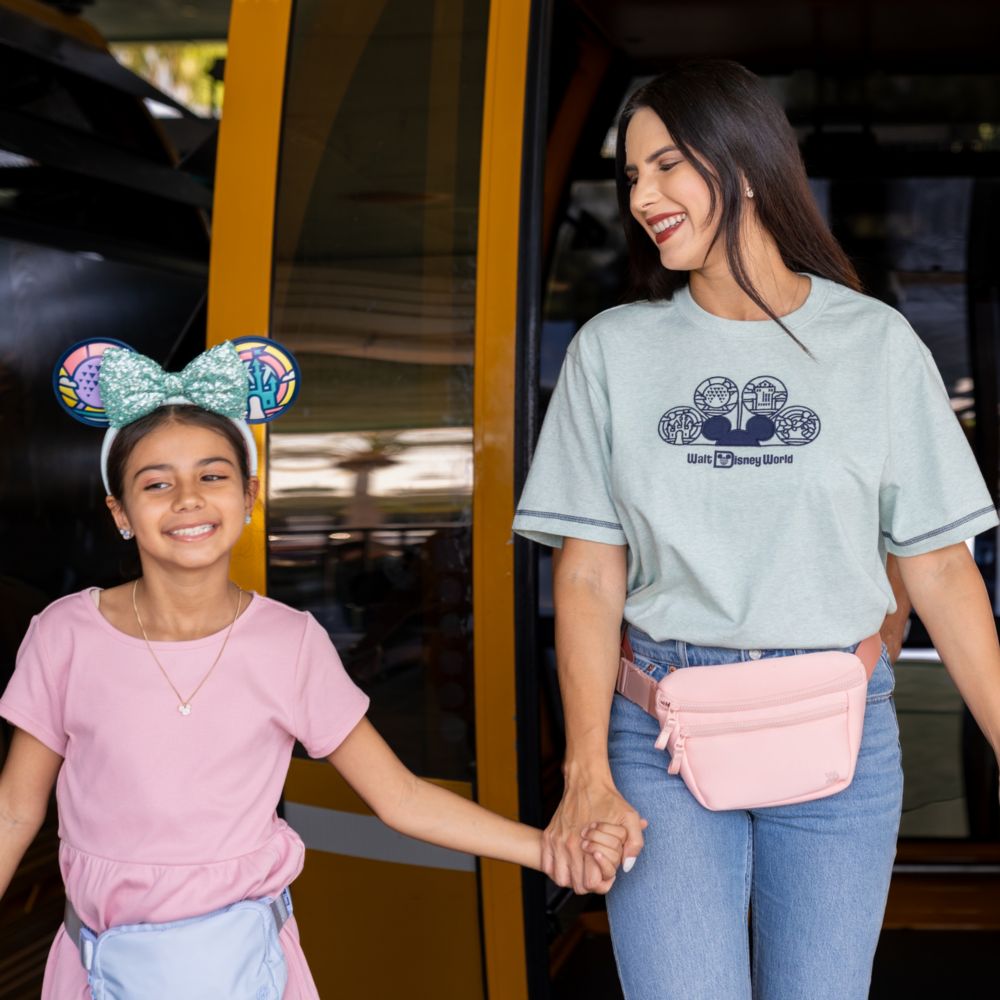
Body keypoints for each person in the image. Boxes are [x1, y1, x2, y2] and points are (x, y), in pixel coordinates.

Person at [512, 60, 1000, 1000]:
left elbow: (940, 568)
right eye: (630, 178)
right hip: (657, 738)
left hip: (839, 733)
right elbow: (585, 579)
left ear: (739, 165)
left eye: (663, 167)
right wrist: (583, 772)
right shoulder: (613, 351)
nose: (642, 196)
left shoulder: (876, 344)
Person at [0, 341, 625, 999]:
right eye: (156, 483)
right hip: (97, 970)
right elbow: (16, 806)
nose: (187, 499)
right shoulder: (66, 634)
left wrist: (548, 850)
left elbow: (401, 797)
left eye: (212, 476)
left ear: (248, 496)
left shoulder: (289, 643)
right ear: (121, 513)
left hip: (245, 971)